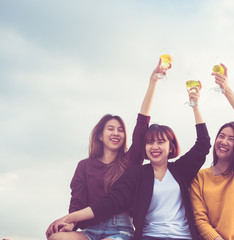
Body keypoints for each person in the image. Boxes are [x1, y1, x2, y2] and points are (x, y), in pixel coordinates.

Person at [46, 80, 211, 240]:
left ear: (171, 146)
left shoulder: (173, 169)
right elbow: (106, 202)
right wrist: (69, 220)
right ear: (100, 136)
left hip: (161, 233)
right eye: (150, 142)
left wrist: (194, 105)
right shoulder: (137, 174)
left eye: (161, 142)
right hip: (135, 234)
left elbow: (203, 144)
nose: (155, 147)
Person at [46, 59, 168, 240]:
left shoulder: (130, 161)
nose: (116, 133)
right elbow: (77, 202)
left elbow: (142, 123)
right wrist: (71, 222)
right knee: (57, 238)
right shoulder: (84, 166)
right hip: (89, 229)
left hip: (120, 229)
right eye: (110, 129)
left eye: (120, 130)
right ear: (100, 136)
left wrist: (153, 81)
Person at [189, 64, 234, 240]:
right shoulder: (200, 177)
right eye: (221, 136)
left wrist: (227, 90)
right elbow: (200, 219)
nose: (224, 141)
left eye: (231, 139)